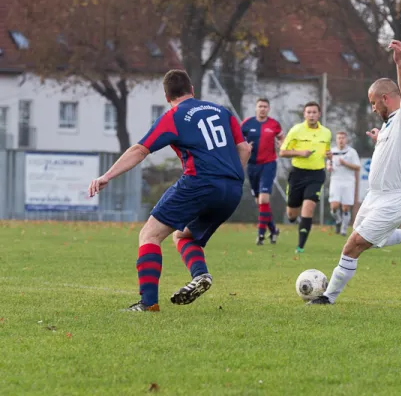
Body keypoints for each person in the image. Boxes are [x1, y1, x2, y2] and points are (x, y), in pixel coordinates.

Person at [88, 69, 251, 312]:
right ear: (192, 90)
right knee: (185, 236)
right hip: (232, 188)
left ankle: (148, 303)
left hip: (199, 182)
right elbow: (245, 149)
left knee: (149, 235)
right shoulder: (222, 111)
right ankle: (200, 275)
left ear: (167, 96)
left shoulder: (174, 116)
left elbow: (140, 150)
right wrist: (231, 175)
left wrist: (107, 175)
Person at [309, 40, 401, 305]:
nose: (372, 108)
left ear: (385, 98)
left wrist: (400, 62)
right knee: (370, 240)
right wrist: (379, 138)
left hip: (395, 198)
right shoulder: (391, 125)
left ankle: (327, 297)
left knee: (353, 245)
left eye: (373, 102)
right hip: (375, 196)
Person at [279, 101, 332, 253]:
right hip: (298, 174)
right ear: (304, 114)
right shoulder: (296, 130)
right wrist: (300, 153)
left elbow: (327, 151)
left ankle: (300, 247)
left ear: (319, 114)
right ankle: (292, 218)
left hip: (317, 174)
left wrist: (329, 155)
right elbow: (282, 152)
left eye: (314, 112)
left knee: (308, 207)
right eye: (308, 112)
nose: (311, 115)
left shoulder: (326, 132)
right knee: (292, 215)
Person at [241, 98, 284, 246]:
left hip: (269, 164)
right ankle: (273, 229)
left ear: (268, 109)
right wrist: (245, 146)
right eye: (260, 106)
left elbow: (282, 138)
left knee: (264, 199)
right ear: (256, 108)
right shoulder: (247, 123)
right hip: (252, 166)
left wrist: (281, 144)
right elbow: (238, 140)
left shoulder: (274, 124)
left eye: (265, 106)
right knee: (259, 202)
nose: (262, 109)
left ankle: (260, 235)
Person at [327, 131, 361, 236]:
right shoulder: (331, 151)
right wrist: (329, 167)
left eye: (343, 138)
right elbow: (328, 165)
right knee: (334, 206)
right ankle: (338, 220)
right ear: (336, 140)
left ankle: (344, 229)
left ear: (346, 140)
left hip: (348, 181)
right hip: (335, 180)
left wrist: (345, 163)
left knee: (346, 207)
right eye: (339, 138)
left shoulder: (352, 152)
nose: (341, 140)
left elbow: (358, 167)